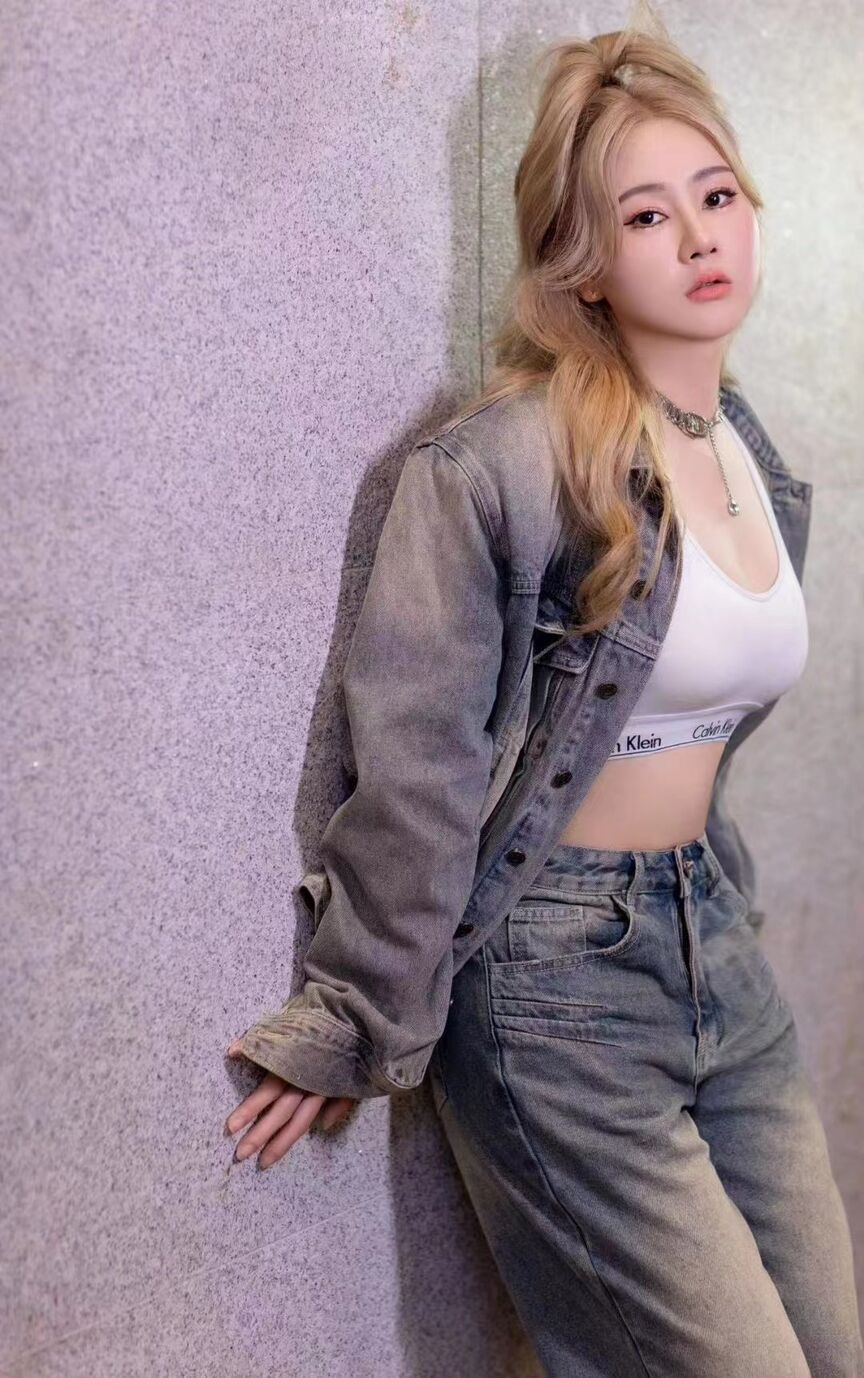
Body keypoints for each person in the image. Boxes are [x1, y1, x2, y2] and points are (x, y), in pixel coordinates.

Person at [225, 13, 864, 1376]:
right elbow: (416, 759)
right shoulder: (498, 468)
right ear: (583, 262)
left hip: (718, 949)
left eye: (716, 196)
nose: (698, 238)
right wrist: (355, 1016)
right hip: (557, 981)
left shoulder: (749, 453)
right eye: (647, 215)